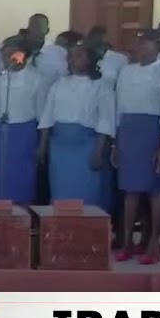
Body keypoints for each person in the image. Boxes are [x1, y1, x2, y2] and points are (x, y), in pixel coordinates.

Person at [112, 30, 160, 265]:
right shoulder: (126, 71)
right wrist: (116, 139)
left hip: (152, 130)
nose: (138, 45)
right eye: (136, 41)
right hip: (129, 130)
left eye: (144, 42)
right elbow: (119, 106)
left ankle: (152, 242)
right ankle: (128, 240)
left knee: (154, 189)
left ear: (157, 45)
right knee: (130, 190)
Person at [38, 42, 115, 211]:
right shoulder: (59, 84)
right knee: (61, 190)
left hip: (86, 145)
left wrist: (98, 151)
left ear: (90, 60)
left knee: (86, 192)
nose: (73, 60)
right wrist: (43, 145)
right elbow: (47, 116)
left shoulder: (102, 86)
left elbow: (105, 121)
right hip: (60, 146)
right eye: (70, 57)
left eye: (78, 56)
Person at [0, 36, 43, 204]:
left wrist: (42, 142)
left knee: (21, 177)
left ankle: (23, 217)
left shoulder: (36, 78)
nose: (7, 57)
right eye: (4, 53)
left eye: (12, 52)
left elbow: (42, 114)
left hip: (24, 133)